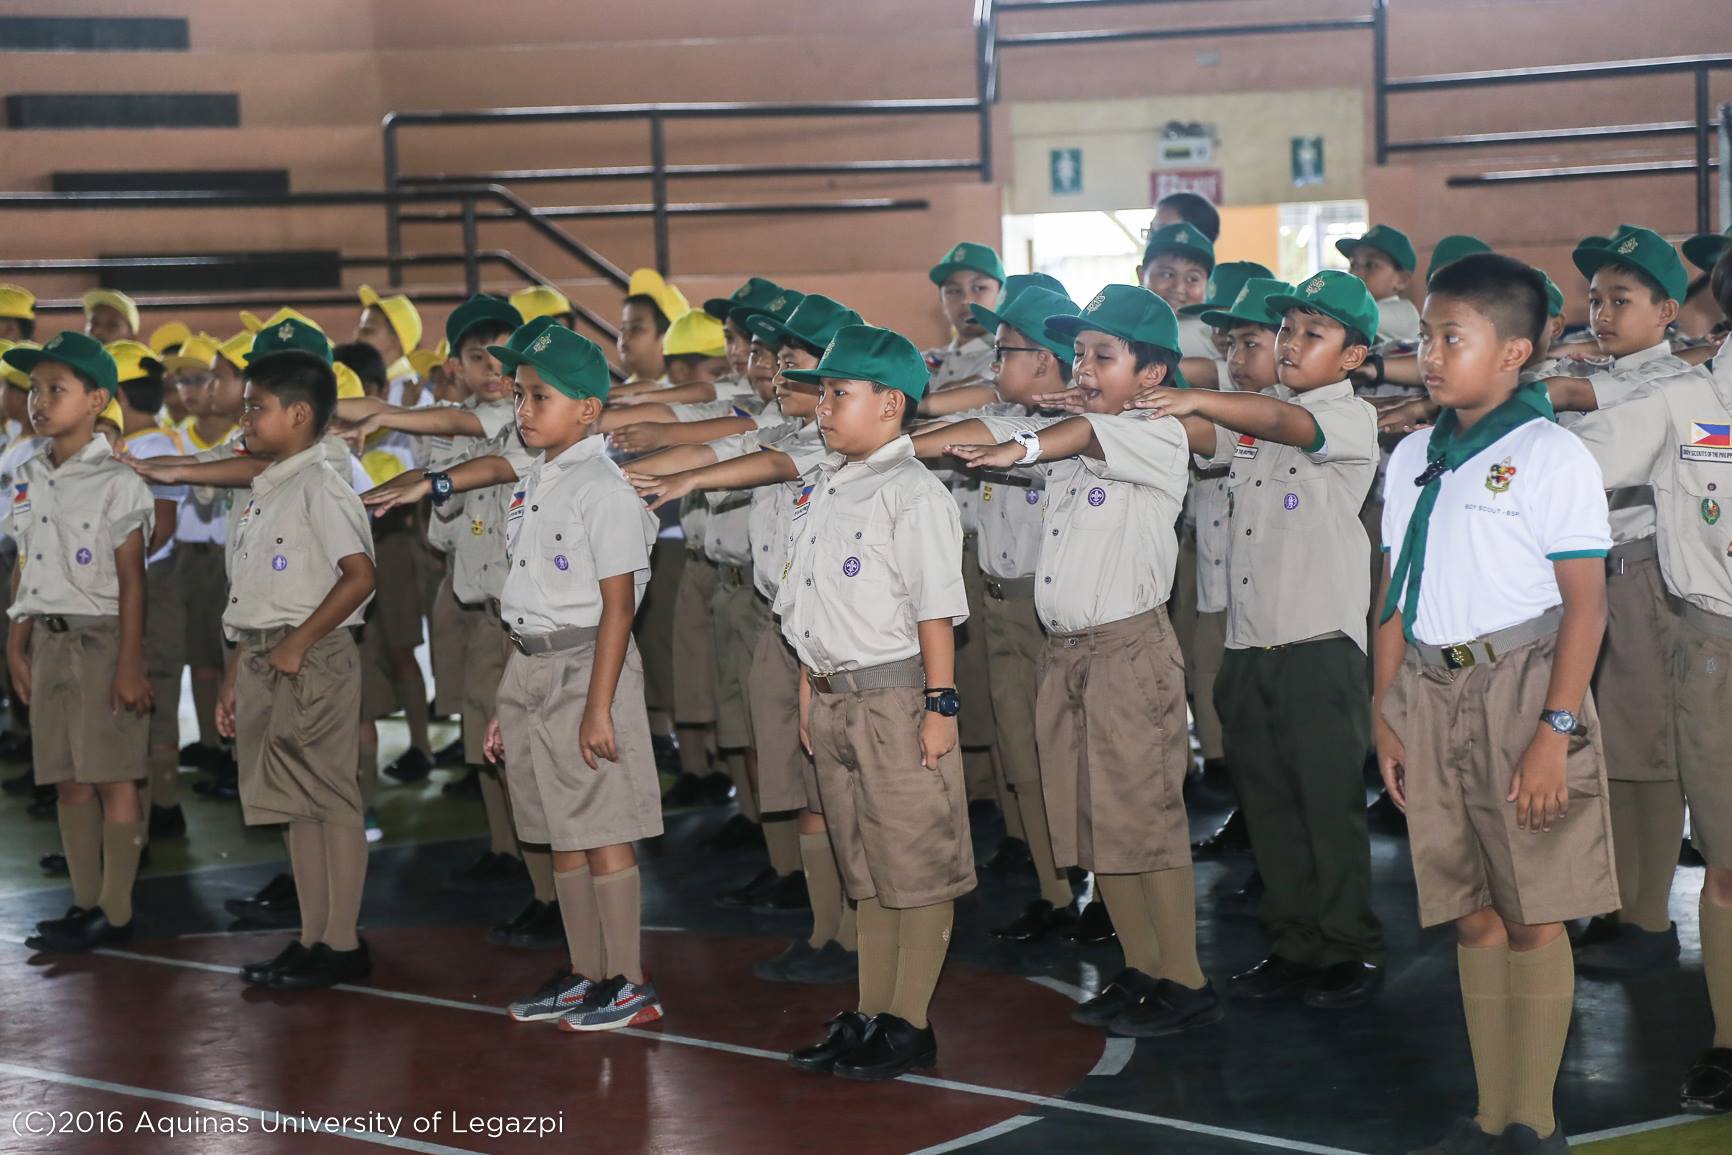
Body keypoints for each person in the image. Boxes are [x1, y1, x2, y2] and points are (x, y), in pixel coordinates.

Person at [1376, 253, 1614, 1154]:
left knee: (1532, 909)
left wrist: (1555, 732)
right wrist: (1385, 709)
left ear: (1515, 352)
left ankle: (1534, 1120)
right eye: (1427, 336)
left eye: (1452, 338)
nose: (1430, 356)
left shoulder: (1551, 455)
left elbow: (1587, 607)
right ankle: (1489, 1114)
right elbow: (1393, 592)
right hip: (1430, 687)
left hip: (1523, 686)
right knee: (1469, 909)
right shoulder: (1413, 455)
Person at [367, 317, 668, 1032]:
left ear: (587, 409)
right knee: (558, 831)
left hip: (588, 665)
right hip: (530, 663)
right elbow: (523, 597)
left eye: (538, 397)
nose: (522, 409)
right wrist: (509, 698)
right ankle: (585, 972)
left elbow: (619, 608)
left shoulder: (604, 490)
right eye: (520, 395)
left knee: (602, 827)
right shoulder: (537, 479)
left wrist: (598, 707)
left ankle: (629, 981)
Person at [939, 285, 1220, 1039]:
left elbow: (1077, 437)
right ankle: (1142, 965)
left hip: (1127, 652)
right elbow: (1002, 423)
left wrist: (1026, 446)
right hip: (1067, 654)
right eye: (1078, 354)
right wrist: (909, 439)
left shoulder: (1159, 434)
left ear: (1152, 375)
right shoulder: (1071, 430)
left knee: (1144, 817)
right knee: (1097, 818)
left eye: (1103, 355)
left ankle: (1184, 976)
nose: (1083, 368)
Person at [1133, 270, 1388, 1008]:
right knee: (1269, 807)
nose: (1290, 344)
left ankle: (1347, 945)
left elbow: (1282, 424)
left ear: (1353, 357)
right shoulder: (1252, 421)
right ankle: (1293, 941)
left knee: (1327, 808)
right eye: (1286, 331)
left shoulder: (1348, 419)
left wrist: (1196, 397)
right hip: (1249, 645)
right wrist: (1123, 407)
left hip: (1317, 646)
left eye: (1313, 334)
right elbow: (1203, 436)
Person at [626, 292, 863, 982]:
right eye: (775, 362)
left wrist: (687, 476)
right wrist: (647, 467)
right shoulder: (781, 428)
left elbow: (760, 465)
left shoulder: (835, 445)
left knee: (836, 789)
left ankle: (856, 936)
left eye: (793, 364)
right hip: (780, 623)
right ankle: (825, 930)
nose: (776, 374)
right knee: (800, 784)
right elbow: (723, 444)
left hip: (832, 637)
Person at [763, 323, 972, 1080]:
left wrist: (940, 706)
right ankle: (871, 1008)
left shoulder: (912, 493)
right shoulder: (827, 483)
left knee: (914, 862)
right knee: (866, 867)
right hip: (833, 698)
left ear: (889, 403)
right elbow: (807, 605)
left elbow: (935, 610)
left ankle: (908, 1020)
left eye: (838, 393)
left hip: (893, 698)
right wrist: (806, 693)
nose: (823, 407)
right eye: (821, 393)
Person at [1558, 246, 1732, 1114]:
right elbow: (1574, 464)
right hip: (1715, 645)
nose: (1600, 311)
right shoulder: (1687, 403)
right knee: (1728, 863)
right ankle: (1729, 1040)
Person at [909, 282, 1085, 944]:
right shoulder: (996, 412)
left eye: (1005, 351)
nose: (993, 363)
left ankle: (1101, 888)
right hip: (999, 602)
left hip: (1057, 613)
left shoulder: (1079, 427)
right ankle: (1055, 892)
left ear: (1041, 359)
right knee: (1022, 756)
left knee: (1078, 758)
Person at [1543, 225, 1698, 973]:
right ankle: (1615, 901)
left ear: (1667, 312)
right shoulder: (1590, 368)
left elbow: (1583, 423)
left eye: (1622, 300)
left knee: (1648, 753)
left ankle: (1648, 919)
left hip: (1639, 576)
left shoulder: (1672, 383)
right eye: (1596, 298)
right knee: (1602, 753)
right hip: (1584, 578)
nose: (1601, 313)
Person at [6, 332, 155, 952]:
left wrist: (129, 665)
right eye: (33, 389)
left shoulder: (119, 481)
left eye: (55, 389)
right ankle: (84, 901)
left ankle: (116, 913)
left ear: (97, 400)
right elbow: (25, 563)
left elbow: (133, 580)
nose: (39, 401)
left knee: (113, 778)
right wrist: (15, 644)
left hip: (101, 641)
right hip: (48, 639)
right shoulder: (27, 474)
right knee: (67, 780)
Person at [106, 342, 189, 841]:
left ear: (114, 395)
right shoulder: (135, 443)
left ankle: (160, 806)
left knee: (150, 695)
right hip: (138, 582)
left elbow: (162, 526)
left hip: (149, 583)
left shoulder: (155, 447)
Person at [1338, 224, 1420, 346]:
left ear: (1401, 280)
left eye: (1371, 265)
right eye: (1354, 264)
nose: (1356, 273)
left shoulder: (1403, 313)